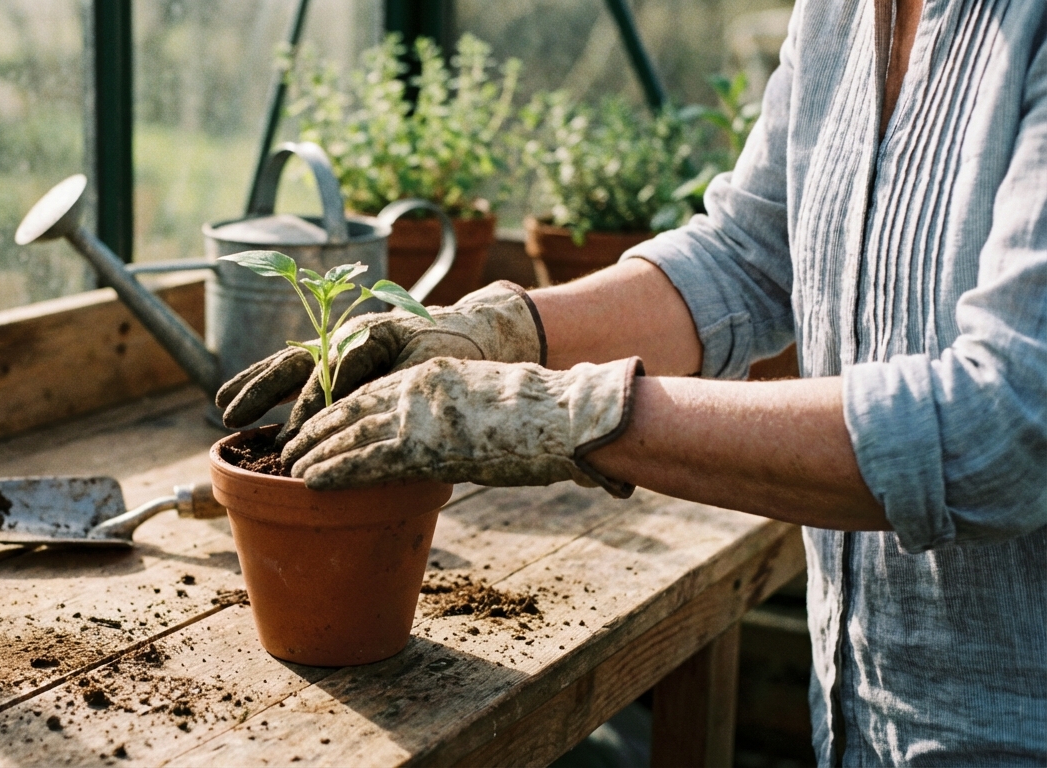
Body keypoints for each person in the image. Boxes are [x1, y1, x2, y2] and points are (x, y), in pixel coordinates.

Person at [218, 0, 1047, 764]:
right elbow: (749, 255)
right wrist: (494, 330)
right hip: (857, 714)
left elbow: (998, 429)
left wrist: (575, 415)